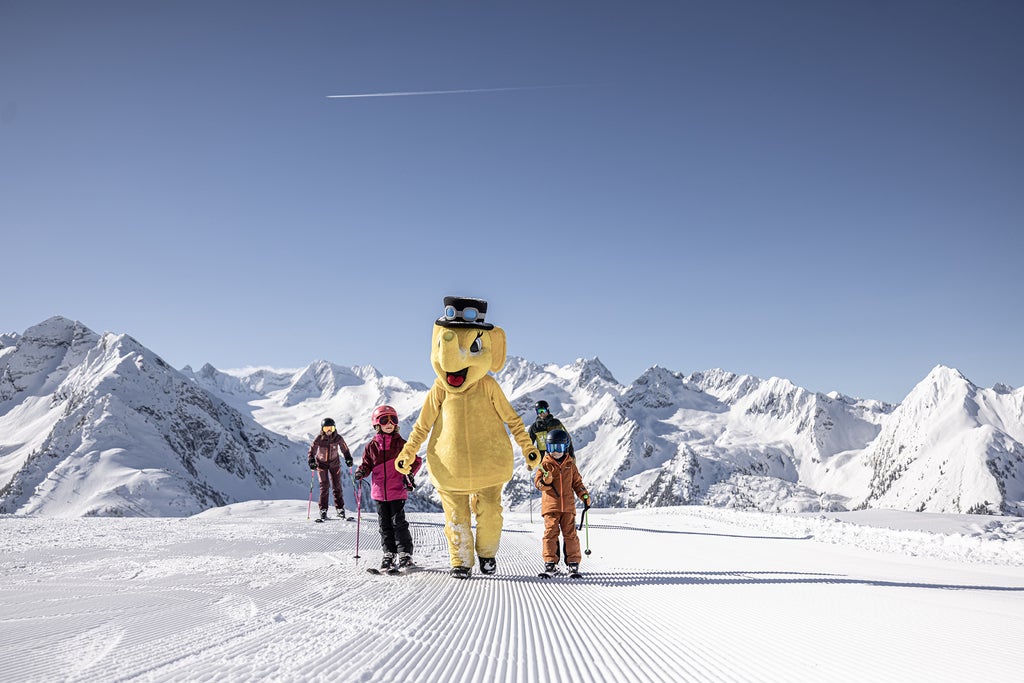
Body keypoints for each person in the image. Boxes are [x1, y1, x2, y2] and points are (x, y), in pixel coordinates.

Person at [354, 406, 422, 572]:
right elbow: (367, 464)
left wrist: (409, 474)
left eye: (393, 420)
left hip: (397, 489)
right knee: (384, 525)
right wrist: (362, 471)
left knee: (398, 524)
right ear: (377, 424)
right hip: (379, 493)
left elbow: (416, 461)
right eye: (385, 420)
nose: (390, 423)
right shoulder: (372, 446)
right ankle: (389, 554)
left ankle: (405, 554)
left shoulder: (401, 444)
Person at [534, 428, 592, 576]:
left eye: (558, 448)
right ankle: (550, 563)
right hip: (551, 507)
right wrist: (544, 481)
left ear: (565, 447)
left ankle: (573, 564)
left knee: (570, 534)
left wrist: (584, 495)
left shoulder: (570, 465)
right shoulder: (545, 465)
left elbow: (577, 483)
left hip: (567, 507)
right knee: (550, 533)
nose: (555, 452)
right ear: (547, 448)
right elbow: (538, 484)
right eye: (552, 448)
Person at [307, 417, 353, 522]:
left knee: (337, 486)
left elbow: (345, 449)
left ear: (334, 428)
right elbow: (312, 451)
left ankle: (340, 509)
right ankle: (323, 509)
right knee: (324, 486)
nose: (328, 431)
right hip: (321, 464)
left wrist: (348, 458)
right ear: (322, 429)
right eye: (326, 428)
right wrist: (311, 460)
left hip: (334, 464)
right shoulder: (319, 438)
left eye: (331, 428)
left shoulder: (338, 438)